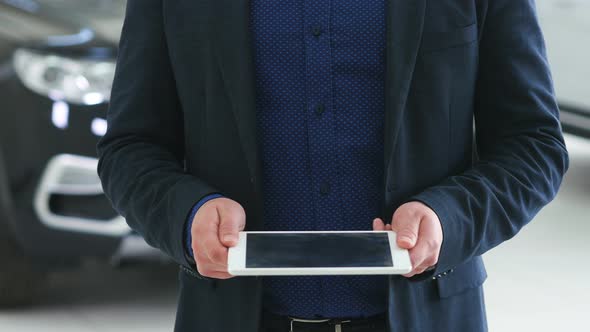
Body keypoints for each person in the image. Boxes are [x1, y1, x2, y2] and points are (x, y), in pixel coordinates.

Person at [97, 0, 569, 331]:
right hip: (236, 318)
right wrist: (187, 214)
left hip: (426, 316)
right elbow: (130, 146)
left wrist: (450, 217)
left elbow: (534, 144)